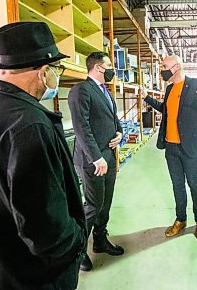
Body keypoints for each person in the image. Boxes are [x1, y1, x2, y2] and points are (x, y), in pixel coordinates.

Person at [0, 21, 87, 289]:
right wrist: (76, 241)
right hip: (30, 275)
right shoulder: (29, 124)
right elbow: (44, 225)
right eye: (56, 70)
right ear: (42, 71)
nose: (56, 77)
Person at [142, 55, 197, 242]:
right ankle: (181, 219)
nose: (161, 69)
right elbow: (165, 109)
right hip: (171, 147)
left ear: (177, 67)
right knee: (177, 185)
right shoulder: (169, 89)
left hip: (191, 146)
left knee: (194, 184)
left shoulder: (196, 85)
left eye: (164, 66)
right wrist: (147, 98)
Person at [68, 51, 124, 272]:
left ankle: (100, 240)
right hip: (92, 160)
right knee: (93, 204)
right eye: (109, 65)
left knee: (105, 202)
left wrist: (119, 133)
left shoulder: (105, 91)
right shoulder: (81, 90)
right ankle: (79, 249)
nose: (112, 69)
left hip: (108, 157)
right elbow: (81, 128)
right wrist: (96, 157)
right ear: (98, 68)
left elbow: (114, 119)